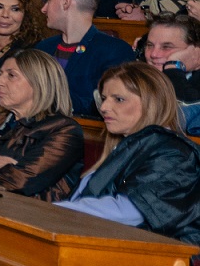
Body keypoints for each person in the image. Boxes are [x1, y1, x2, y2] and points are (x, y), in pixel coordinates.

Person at [55, 64, 200, 245]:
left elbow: (130, 211)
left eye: (119, 99)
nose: (104, 107)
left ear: (151, 102)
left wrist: (54, 212)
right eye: (104, 98)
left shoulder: (172, 152)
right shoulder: (128, 146)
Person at [0, 52, 85, 199]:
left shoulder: (64, 130)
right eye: (0, 74)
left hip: (31, 216)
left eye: (11, 75)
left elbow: (20, 181)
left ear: (39, 83)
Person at [38, 0, 136, 116]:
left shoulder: (114, 51)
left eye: (48, 0)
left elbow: (105, 105)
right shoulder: (43, 47)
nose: (43, 9)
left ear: (66, 3)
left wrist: (47, 98)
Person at [139, 15, 200, 134]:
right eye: (150, 45)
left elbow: (191, 107)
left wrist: (173, 68)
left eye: (166, 47)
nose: (154, 54)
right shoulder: (135, 75)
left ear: (195, 51)